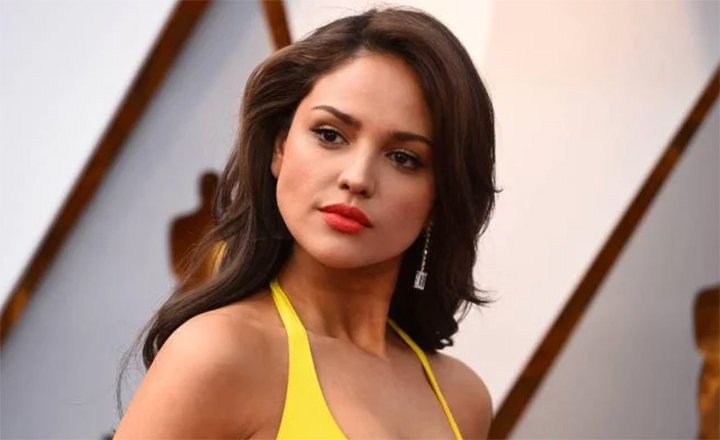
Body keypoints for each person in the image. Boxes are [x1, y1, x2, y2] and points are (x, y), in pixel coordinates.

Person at [114, 5, 499, 439]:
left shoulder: (462, 399)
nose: (357, 178)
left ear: (440, 197)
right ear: (280, 147)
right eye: (330, 135)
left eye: (403, 158)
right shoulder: (217, 354)